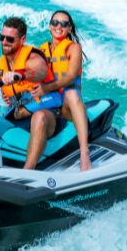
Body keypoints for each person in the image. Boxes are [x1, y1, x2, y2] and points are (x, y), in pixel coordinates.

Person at [0, 17, 64, 170]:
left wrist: (20, 75)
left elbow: (40, 71)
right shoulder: (0, 68)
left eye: (10, 39)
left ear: (22, 40)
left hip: (48, 114)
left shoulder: (32, 57)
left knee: (39, 117)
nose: (4, 42)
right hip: (19, 116)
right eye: (2, 37)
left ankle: (28, 172)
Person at [31, 10, 92, 171]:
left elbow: (71, 77)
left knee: (71, 93)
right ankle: (28, 170)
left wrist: (46, 88)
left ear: (70, 28)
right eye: (55, 23)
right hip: (51, 110)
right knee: (35, 114)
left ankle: (84, 153)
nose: (59, 26)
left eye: (64, 24)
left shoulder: (74, 48)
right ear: (50, 27)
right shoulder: (41, 51)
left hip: (68, 108)